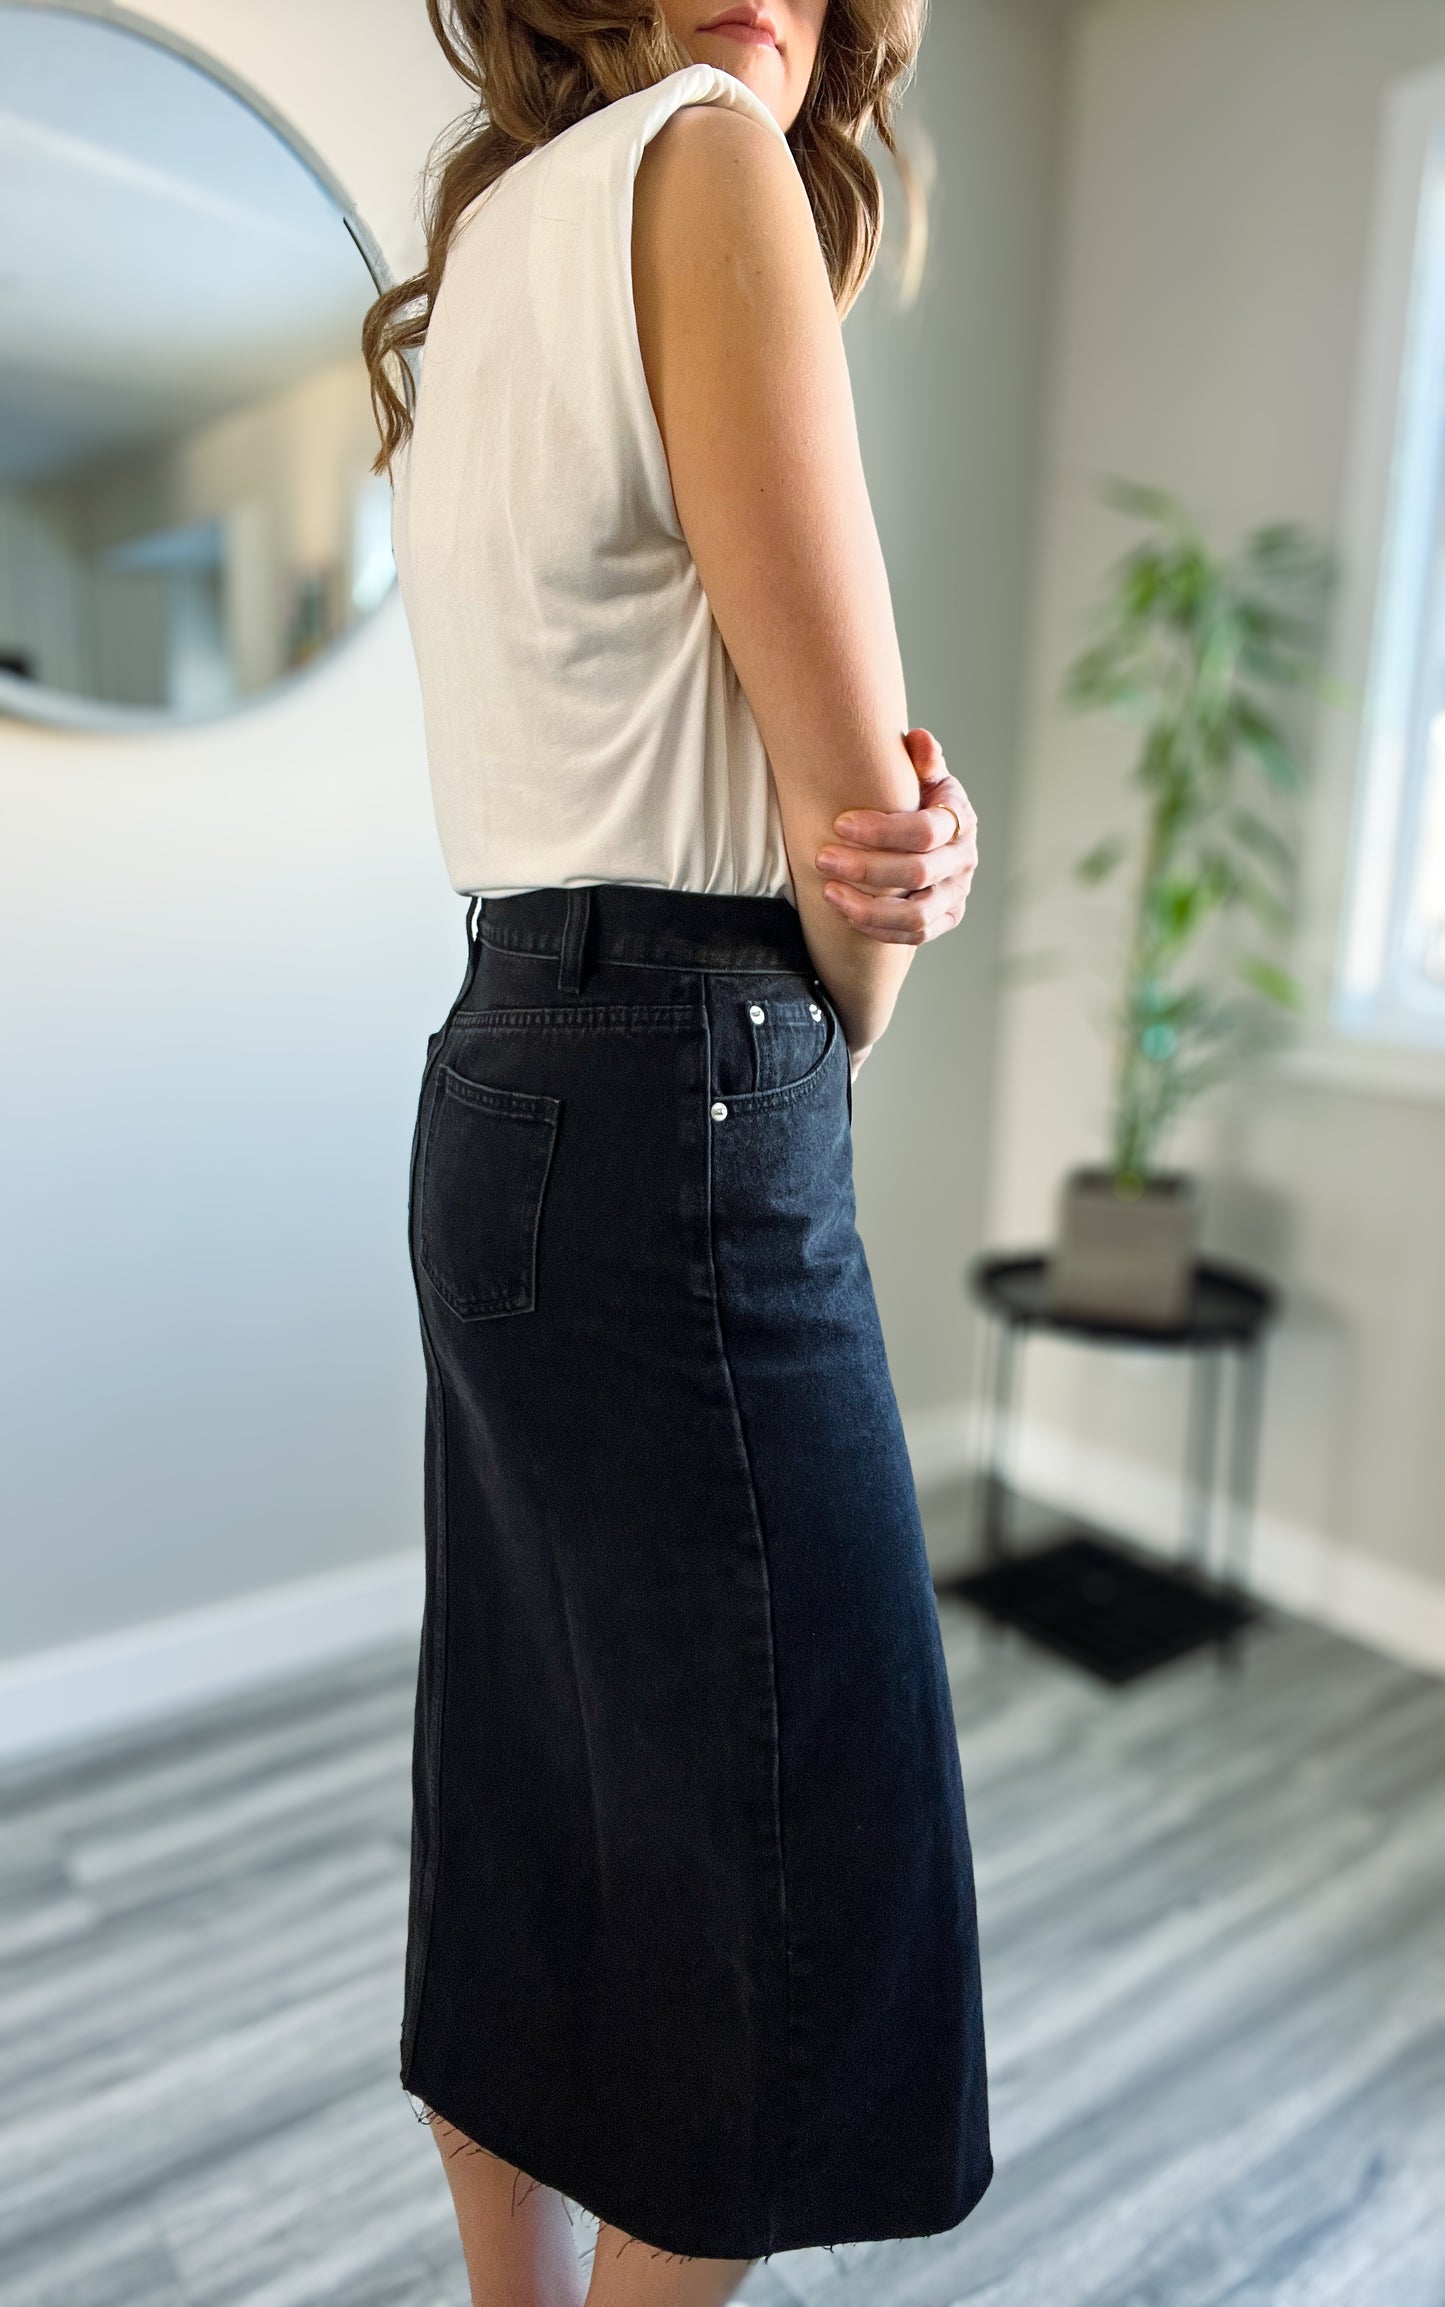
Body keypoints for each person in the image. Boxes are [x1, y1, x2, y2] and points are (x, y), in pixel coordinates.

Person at [363, 3, 991, 2301]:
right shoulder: (712, 168)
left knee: (529, 1804)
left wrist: (868, 847)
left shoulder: (499, 247)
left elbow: (697, 743)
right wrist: (906, 894)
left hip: (503, 1071)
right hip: (700, 1101)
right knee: (799, 1909)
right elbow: (855, 887)